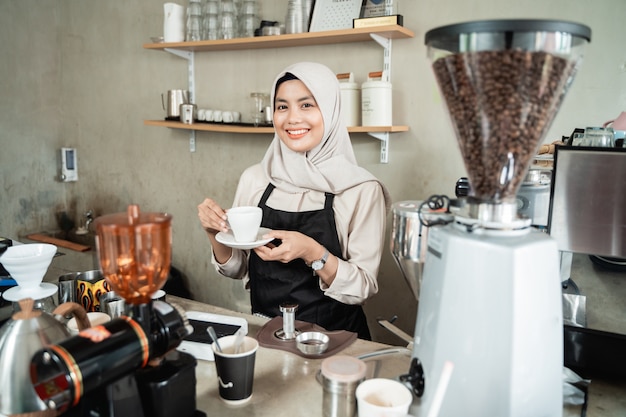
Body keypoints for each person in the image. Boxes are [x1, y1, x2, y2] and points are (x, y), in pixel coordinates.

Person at [197, 62, 390, 339]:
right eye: (282, 106)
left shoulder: (360, 189)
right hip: (267, 335)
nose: (292, 119)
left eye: (307, 105)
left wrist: (312, 252)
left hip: (336, 341)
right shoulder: (256, 178)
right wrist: (214, 232)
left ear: (331, 110)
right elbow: (237, 268)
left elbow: (363, 287)